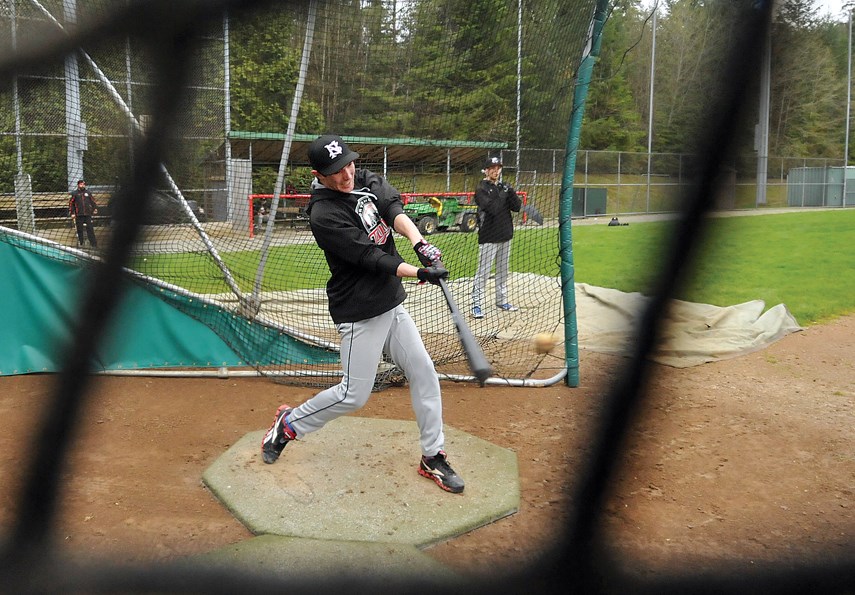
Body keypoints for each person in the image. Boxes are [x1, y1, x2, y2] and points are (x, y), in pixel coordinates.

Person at [261, 134, 465, 494]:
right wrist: (419, 272)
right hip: (359, 312)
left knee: (424, 372)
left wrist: (420, 243)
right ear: (319, 175)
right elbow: (373, 259)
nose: (346, 175)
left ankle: (432, 456)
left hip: (389, 304)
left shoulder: (365, 178)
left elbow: (393, 209)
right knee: (353, 395)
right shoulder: (323, 215)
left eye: (349, 164)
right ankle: (288, 424)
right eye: (336, 172)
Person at [471, 156, 521, 319]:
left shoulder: (503, 187)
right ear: (486, 170)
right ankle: (477, 304)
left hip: (505, 234)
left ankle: (501, 300)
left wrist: (510, 191)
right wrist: (503, 192)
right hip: (488, 236)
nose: (495, 170)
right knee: (483, 273)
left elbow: (517, 207)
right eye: (492, 168)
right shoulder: (481, 189)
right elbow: (493, 208)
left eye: (498, 168)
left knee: (502, 272)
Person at [68, 179, 99, 248]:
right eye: (81, 184)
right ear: (78, 185)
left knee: (90, 229)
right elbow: (71, 204)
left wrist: (95, 208)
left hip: (88, 214)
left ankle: (94, 244)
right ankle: (81, 244)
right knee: (80, 230)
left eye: (83, 184)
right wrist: (72, 213)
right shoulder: (74, 193)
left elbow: (93, 201)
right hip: (79, 215)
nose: (82, 185)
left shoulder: (88, 193)